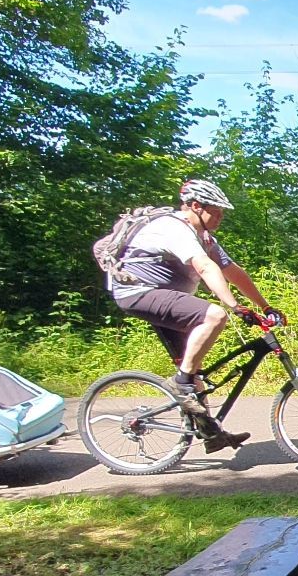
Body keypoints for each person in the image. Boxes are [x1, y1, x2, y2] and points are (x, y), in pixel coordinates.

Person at [107, 179, 283, 453]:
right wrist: (234, 306)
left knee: (193, 368)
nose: (221, 217)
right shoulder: (173, 228)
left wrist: (265, 306)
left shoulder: (205, 238)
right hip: (138, 293)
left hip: (168, 299)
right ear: (196, 206)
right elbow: (204, 266)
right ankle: (181, 383)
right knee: (214, 315)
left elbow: (232, 271)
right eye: (217, 211)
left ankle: (209, 432)